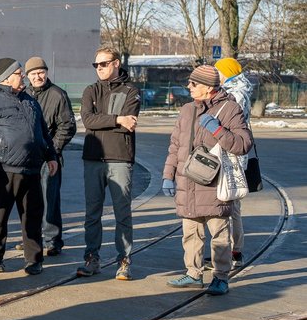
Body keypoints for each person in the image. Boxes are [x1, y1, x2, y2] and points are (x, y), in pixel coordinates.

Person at [162, 65, 252, 296]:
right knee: (190, 232)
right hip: (187, 180)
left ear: (209, 88)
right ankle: (193, 273)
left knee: (219, 234)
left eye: (194, 84)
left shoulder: (230, 108)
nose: (189, 87)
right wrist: (168, 175)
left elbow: (243, 144)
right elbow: (175, 146)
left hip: (213, 183)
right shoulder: (186, 110)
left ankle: (221, 277)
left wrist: (218, 130)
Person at [0, 58, 58, 276]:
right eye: (19, 73)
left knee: (32, 217)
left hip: (32, 169)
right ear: (7, 78)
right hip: (2, 170)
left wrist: (51, 155)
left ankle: (34, 260)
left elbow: (42, 132)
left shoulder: (29, 100)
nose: (24, 76)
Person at [77, 47, 141, 281]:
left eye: (103, 64)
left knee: (122, 212)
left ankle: (123, 260)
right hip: (93, 158)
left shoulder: (131, 91)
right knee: (92, 213)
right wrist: (117, 119)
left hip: (120, 158)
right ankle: (91, 258)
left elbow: (130, 122)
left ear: (115, 63)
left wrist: (108, 121)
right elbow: (87, 120)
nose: (99, 68)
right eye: (96, 65)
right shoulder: (90, 90)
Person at [25, 56, 77, 256]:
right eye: (33, 74)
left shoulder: (57, 95)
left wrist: (52, 150)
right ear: (28, 76)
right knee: (29, 201)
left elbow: (68, 126)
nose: (38, 76)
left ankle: (52, 240)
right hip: (27, 158)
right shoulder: (25, 93)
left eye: (41, 72)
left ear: (46, 72)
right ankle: (32, 238)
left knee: (49, 199)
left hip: (49, 158)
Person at [215, 57, 254, 269]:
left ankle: (234, 251)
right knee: (231, 204)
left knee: (230, 204)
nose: (216, 74)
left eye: (219, 71)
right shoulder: (238, 89)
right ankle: (231, 250)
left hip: (233, 154)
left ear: (227, 72)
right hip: (235, 153)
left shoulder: (235, 94)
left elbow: (230, 123)